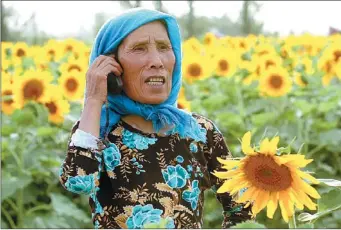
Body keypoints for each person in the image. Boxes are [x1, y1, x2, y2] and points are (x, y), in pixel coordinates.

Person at [59, 8, 253, 229]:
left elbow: (241, 208)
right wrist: (93, 99)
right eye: (139, 49)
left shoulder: (198, 131)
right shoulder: (98, 131)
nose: (157, 61)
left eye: (164, 48)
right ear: (112, 65)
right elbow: (78, 181)